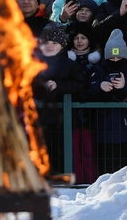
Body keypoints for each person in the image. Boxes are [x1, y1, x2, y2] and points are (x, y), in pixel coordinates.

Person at [90, 29, 127, 173]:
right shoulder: (99, 69)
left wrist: (125, 84)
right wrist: (100, 85)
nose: (115, 61)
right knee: (107, 166)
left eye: (118, 58)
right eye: (112, 58)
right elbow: (87, 88)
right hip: (105, 128)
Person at [32, 23, 85, 173]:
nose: (50, 46)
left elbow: (80, 84)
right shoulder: (32, 63)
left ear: (62, 46)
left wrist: (59, 85)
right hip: (37, 117)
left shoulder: (71, 65)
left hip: (63, 119)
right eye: (46, 42)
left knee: (60, 150)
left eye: (54, 43)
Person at [67, 23, 101, 184]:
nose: (79, 41)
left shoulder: (96, 62)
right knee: (74, 150)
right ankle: (77, 181)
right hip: (70, 112)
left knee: (89, 149)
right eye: (76, 38)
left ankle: (90, 181)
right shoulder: (66, 61)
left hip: (91, 112)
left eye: (83, 38)